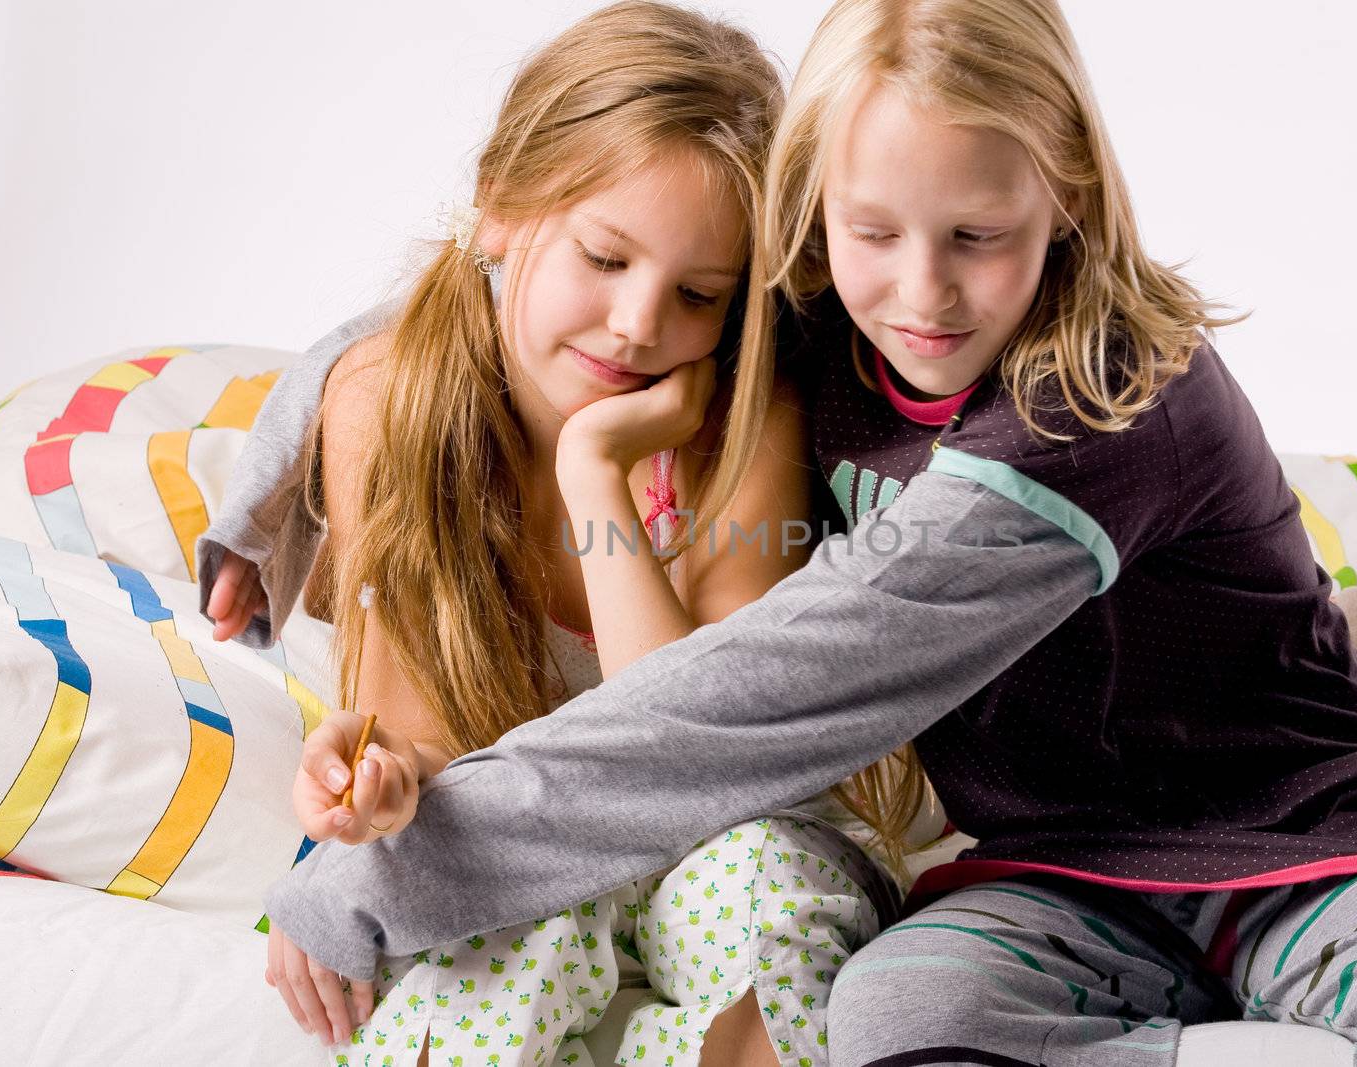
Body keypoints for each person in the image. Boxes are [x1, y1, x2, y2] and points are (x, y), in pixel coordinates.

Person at [209, 0, 1357, 1064]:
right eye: (870, 230)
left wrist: (385, 876)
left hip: (1312, 830)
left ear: (1071, 204)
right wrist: (264, 490)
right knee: (892, 1015)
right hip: (1066, 865)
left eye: (977, 236)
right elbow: (437, 318)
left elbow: (770, 693)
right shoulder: (820, 322)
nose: (919, 293)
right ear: (815, 215)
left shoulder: (1095, 403)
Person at [199, 4, 915, 1064]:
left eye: (696, 293)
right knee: (483, 924)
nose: (637, 322)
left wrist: (597, 474)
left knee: (772, 904)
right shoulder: (386, 398)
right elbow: (424, 740)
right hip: (503, 817)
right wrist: (383, 777)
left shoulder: (746, 421)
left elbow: (697, 747)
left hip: (720, 820)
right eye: (604, 256)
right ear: (499, 208)